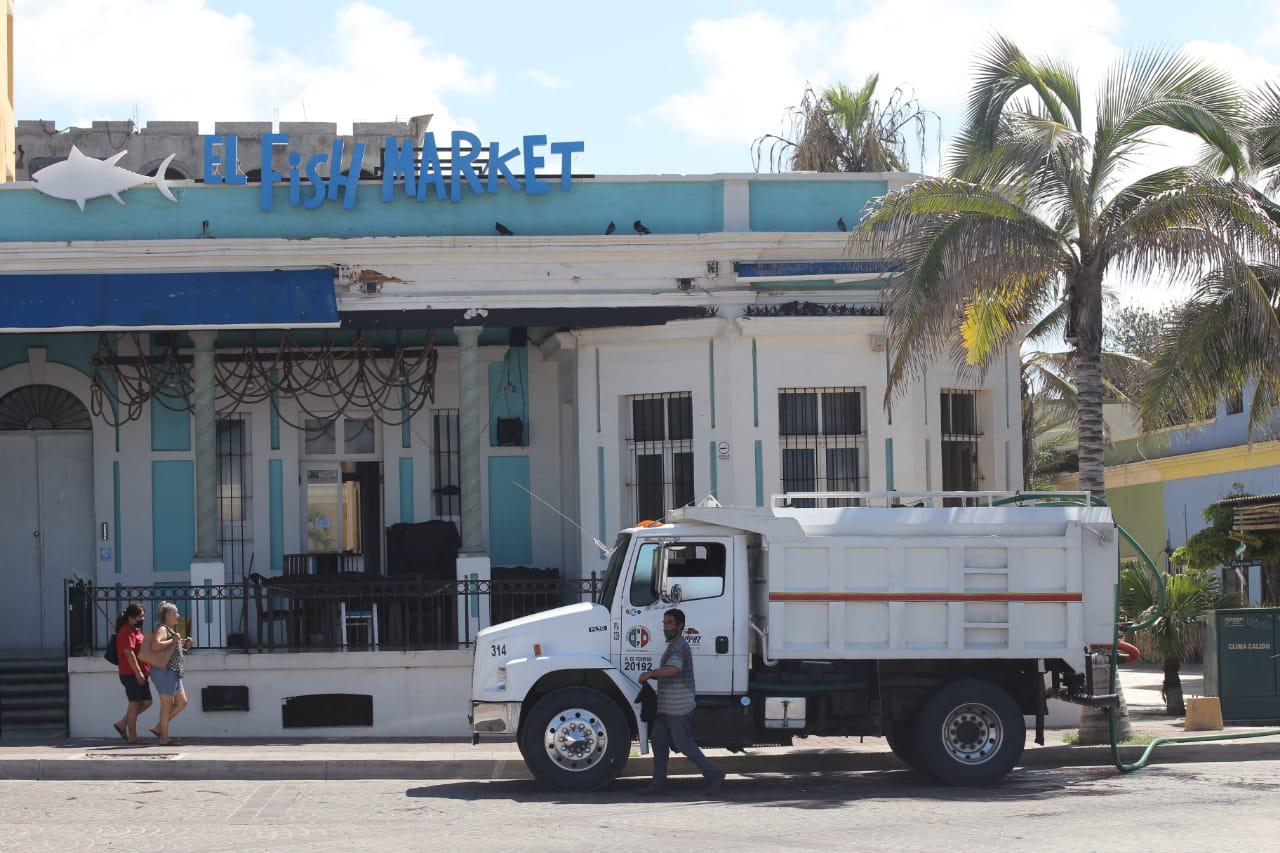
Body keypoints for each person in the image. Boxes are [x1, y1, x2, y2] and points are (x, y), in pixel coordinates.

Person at [637, 608, 725, 794]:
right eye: (664, 623)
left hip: (679, 707)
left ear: (680, 626)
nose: (665, 627)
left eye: (669, 623)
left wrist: (651, 674)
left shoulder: (680, 647)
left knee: (683, 743)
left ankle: (713, 773)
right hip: (666, 706)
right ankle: (658, 783)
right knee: (658, 741)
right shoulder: (672, 645)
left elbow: (673, 670)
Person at [147, 602, 193, 746]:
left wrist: (182, 643)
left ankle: (159, 727)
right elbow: (155, 645)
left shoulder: (170, 630)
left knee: (182, 702)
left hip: (174, 672)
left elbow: (170, 648)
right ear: (167, 615)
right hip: (165, 672)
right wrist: (173, 640)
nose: (178, 615)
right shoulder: (162, 628)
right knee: (167, 705)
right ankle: (163, 738)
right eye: (175, 613)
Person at [111, 603, 152, 744]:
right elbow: (129, 653)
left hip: (141, 673)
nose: (143, 618)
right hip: (131, 673)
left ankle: (122, 723)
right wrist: (138, 673)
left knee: (147, 702)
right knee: (134, 703)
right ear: (131, 618)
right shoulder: (125, 632)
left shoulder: (136, 630)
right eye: (140, 616)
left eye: (143, 615)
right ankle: (132, 735)